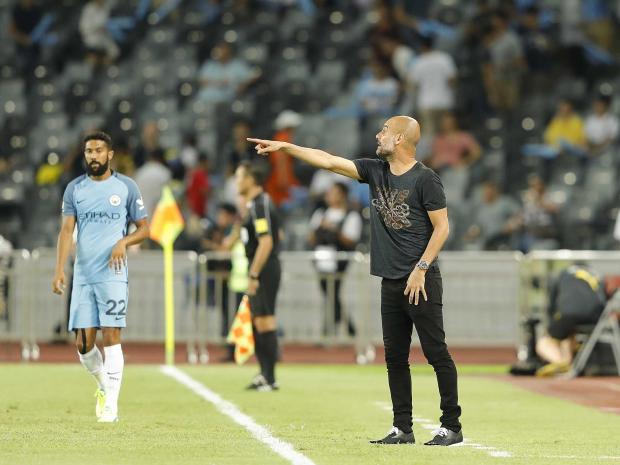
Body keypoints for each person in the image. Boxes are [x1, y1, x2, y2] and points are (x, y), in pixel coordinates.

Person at [249, 115, 463, 445]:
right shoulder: (375, 171)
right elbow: (329, 161)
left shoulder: (426, 179)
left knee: (436, 354)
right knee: (395, 358)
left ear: (401, 140)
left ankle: (452, 426)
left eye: (385, 131)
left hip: (420, 279)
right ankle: (402, 428)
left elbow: (443, 227)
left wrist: (421, 268)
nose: (378, 135)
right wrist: (287, 148)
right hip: (390, 280)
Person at [52, 132, 149, 423]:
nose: (93, 156)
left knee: (112, 335)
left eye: (98, 151)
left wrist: (123, 242)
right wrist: (58, 269)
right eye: (88, 151)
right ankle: (104, 386)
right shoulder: (74, 189)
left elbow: (145, 229)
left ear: (110, 155)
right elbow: (67, 231)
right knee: (83, 345)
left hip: (113, 273)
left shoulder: (126, 187)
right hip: (83, 273)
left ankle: (111, 407)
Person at [225, 162, 282, 391]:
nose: (237, 182)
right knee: (258, 321)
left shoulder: (262, 204)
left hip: (265, 268)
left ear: (251, 179)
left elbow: (267, 242)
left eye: (239, 177)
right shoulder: (253, 206)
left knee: (265, 320)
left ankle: (270, 377)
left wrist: (254, 273)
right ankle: (263, 374)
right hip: (259, 267)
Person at [309, 182, 362, 336]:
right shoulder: (320, 213)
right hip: (321, 259)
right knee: (330, 293)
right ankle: (347, 326)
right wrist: (321, 227)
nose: (329, 196)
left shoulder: (351, 215)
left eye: (333, 192)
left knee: (333, 292)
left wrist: (334, 230)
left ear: (342, 195)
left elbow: (351, 240)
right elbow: (311, 237)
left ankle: (330, 328)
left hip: (339, 261)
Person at [535, 265, 607, 377]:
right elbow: (603, 299)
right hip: (596, 318)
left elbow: (551, 306)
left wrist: (550, 326)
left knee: (544, 341)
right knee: (568, 334)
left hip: (569, 313)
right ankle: (568, 361)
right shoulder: (596, 275)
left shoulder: (562, 274)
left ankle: (560, 362)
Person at [79, 0, 120, 64]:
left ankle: (106, 66)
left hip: (105, 35)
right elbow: (83, 28)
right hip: (92, 37)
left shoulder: (106, 6)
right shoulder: (89, 9)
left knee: (115, 52)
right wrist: (97, 28)